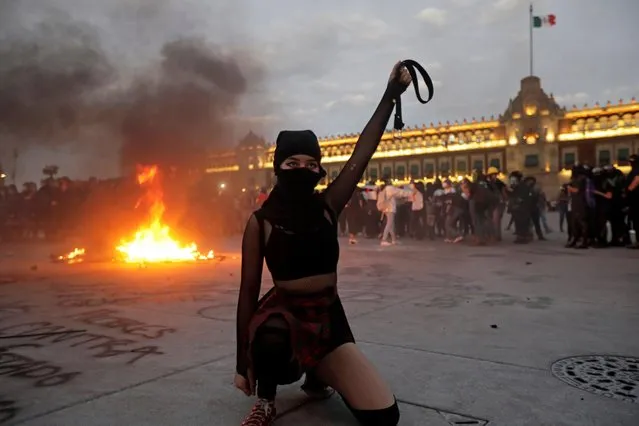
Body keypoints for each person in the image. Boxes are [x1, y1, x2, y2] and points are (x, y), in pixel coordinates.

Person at [235, 62, 412, 425]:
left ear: (319, 169)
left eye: (310, 162)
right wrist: (242, 365)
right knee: (270, 337)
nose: (302, 169)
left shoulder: (328, 206)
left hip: (327, 316)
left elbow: (363, 152)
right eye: (292, 161)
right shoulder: (261, 223)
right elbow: (247, 293)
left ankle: (318, 372)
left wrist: (390, 95)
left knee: (384, 417)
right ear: (278, 167)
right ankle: (267, 398)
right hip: (284, 315)